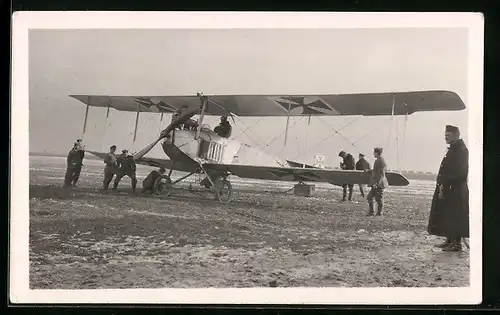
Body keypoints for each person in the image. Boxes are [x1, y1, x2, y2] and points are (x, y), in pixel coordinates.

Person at [427, 125, 469, 252]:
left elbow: (461, 172)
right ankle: (450, 240)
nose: (445, 137)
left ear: (456, 135)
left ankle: (456, 244)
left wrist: (447, 182)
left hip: (455, 189)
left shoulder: (461, 150)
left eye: (448, 135)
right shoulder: (454, 148)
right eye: (445, 135)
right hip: (449, 188)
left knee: (455, 215)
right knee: (448, 214)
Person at [366, 147, 389, 216]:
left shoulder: (379, 161)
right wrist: (368, 171)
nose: (373, 154)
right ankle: (374, 212)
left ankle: (378, 213)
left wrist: (377, 183)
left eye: (374, 152)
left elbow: (381, 173)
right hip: (377, 183)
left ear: (376, 153)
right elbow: (377, 171)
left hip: (378, 183)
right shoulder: (380, 160)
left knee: (378, 199)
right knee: (371, 197)